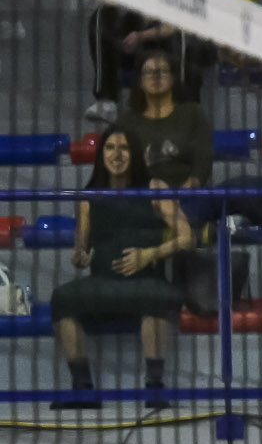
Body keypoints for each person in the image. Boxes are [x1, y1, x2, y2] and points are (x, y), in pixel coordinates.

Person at [51, 128, 188, 410]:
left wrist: (149, 254)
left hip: (148, 282)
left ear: (134, 154)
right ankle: (82, 388)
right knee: (62, 298)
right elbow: (81, 249)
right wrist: (79, 257)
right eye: (110, 148)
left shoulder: (155, 188)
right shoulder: (88, 197)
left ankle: (154, 387)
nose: (117, 155)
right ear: (101, 155)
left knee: (158, 297)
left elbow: (187, 237)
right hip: (102, 283)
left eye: (124, 148)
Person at [119, 48, 213, 192]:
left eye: (162, 71)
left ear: (172, 78)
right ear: (140, 81)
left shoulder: (193, 113)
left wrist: (188, 187)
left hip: (188, 194)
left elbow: (203, 160)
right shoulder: (126, 121)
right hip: (142, 196)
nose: (155, 76)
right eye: (149, 72)